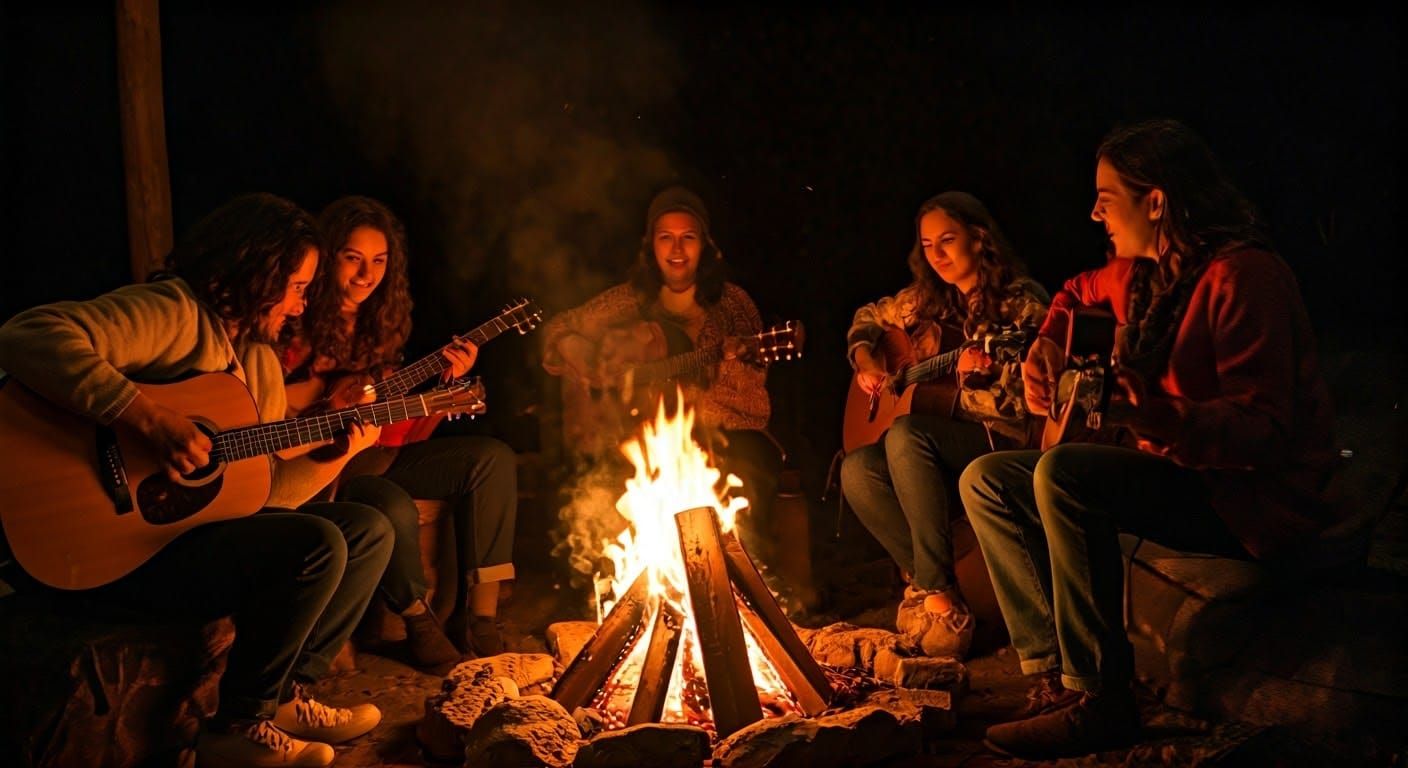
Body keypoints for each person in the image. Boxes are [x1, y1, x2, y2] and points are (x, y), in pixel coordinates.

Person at [959, 119, 1340, 759]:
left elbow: (1266, 435)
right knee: (988, 480)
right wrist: (1050, 339)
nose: (1093, 212)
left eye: (1106, 198)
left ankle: (1104, 701)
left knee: (1065, 473)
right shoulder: (1142, 274)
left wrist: (1154, 416)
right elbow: (1075, 291)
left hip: (1247, 501)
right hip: (1183, 472)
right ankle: (1053, 675)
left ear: (1156, 201)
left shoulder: (1244, 278)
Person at [0, 193, 398, 767]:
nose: (303, 302)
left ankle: (283, 693)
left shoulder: (256, 356)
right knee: (317, 544)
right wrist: (150, 420)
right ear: (255, 268)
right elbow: (26, 335)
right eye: (297, 285)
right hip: (106, 548)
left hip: (182, 534)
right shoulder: (172, 312)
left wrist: (335, 454)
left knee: (365, 530)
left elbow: (262, 493)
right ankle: (236, 727)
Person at [278, 195, 517, 666]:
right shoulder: (295, 316)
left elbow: (399, 431)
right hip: (319, 469)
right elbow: (271, 404)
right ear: (327, 258)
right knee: (388, 502)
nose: (367, 275)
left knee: (492, 459)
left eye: (379, 261)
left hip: (376, 456)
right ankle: (418, 622)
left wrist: (444, 386)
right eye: (353, 259)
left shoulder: (382, 322)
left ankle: (479, 619)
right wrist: (325, 397)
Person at [841, 191, 1048, 660]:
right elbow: (868, 317)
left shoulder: (1020, 302)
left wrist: (990, 378)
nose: (937, 255)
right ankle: (941, 593)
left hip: (997, 442)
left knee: (907, 433)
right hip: (930, 438)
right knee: (858, 469)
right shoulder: (925, 302)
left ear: (978, 239)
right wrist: (866, 360)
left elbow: (1032, 399)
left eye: (948, 240)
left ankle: (933, 592)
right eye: (928, 244)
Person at [540, 186, 782, 568]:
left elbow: (753, 405)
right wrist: (583, 355)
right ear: (650, 245)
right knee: (603, 482)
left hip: (724, 435)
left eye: (688, 238)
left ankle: (737, 583)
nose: (676, 250)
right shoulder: (629, 300)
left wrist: (694, 395)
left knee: (748, 469)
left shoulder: (733, 306)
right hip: (637, 438)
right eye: (665, 238)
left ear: (706, 245)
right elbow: (557, 328)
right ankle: (626, 587)